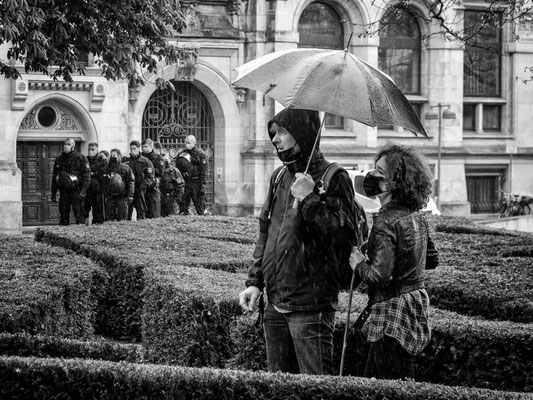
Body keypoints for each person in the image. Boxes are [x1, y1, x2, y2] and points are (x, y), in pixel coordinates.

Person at [238, 108, 357, 375]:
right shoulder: (279, 176)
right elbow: (266, 232)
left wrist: (309, 198)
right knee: (277, 388)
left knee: (316, 389)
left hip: (311, 308)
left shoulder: (334, 178)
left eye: (282, 132)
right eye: (273, 132)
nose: (274, 139)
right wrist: (255, 282)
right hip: (274, 304)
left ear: (302, 134)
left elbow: (342, 237)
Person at [349, 144, 439, 381]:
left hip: (392, 314)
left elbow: (379, 276)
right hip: (415, 305)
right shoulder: (416, 214)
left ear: (395, 182)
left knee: (390, 384)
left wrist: (358, 263)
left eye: (379, 171)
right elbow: (431, 260)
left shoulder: (385, 222)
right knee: (386, 380)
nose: (372, 175)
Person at [51, 138, 91, 225]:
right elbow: (55, 177)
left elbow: (86, 176)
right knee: (63, 216)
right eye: (65, 144)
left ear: (73, 146)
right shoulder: (59, 159)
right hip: (64, 191)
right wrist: (53, 192)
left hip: (76, 191)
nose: (66, 146)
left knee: (79, 215)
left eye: (68, 144)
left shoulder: (81, 158)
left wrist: (83, 192)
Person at [175, 135, 208, 215]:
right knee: (183, 206)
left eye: (188, 143)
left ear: (194, 143)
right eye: (185, 142)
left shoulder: (200, 154)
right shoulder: (182, 153)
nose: (186, 144)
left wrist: (202, 185)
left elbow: (204, 170)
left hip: (196, 182)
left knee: (200, 207)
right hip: (185, 182)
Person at [123, 140, 155, 220]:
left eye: (134, 148)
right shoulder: (126, 161)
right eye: (131, 149)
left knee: (141, 212)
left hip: (140, 189)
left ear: (138, 149)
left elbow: (150, 176)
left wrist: (143, 185)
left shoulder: (145, 161)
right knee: (127, 213)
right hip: (129, 190)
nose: (132, 151)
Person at [102, 148, 135, 221]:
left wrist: (130, 195)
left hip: (122, 195)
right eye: (111, 155)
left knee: (122, 216)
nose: (113, 157)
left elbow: (131, 181)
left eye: (114, 155)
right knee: (110, 217)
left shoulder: (125, 168)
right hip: (110, 195)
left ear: (119, 156)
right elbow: (104, 182)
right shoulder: (107, 168)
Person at [141, 138, 164, 218]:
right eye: (142, 147)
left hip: (153, 187)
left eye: (146, 146)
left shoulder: (158, 158)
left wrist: (149, 170)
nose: (143, 148)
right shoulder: (141, 159)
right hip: (143, 187)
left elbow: (160, 172)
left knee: (154, 211)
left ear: (151, 147)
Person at [83, 142, 105, 224]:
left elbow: (102, 173)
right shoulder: (85, 160)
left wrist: (93, 173)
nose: (90, 151)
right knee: (84, 210)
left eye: (92, 150)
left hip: (97, 190)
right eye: (89, 149)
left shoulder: (101, 161)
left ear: (97, 150)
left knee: (98, 211)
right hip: (86, 189)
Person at [160, 153, 185, 217]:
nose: (165, 160)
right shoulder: (157, 170)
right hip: (160, 198)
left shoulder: (174, 171)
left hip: (171, 197)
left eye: (166, 158)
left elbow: (180, 184)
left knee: (172, 217)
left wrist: (178, 195)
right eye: (163, 159)